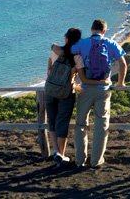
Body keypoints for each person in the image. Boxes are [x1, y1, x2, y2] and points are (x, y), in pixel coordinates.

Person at [71, 19, 127, 169]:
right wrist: (120, 82)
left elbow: (68, 56)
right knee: (101, 125)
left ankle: (80, 160)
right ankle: (96, 161)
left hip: (85, 88)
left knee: (81, 125)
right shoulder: (110, 43)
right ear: (104, 31)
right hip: (103, 90)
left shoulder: (82, 43)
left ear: (91, 29)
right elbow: (123, 63)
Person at [45, 27, 81, 168]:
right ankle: (61, 154)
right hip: (66, 93)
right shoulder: (77, 56)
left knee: (52, 120)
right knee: (62, 122)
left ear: (66, 38)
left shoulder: (55, 51)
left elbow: (48, 71)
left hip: (50, 90)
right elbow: (76, 75)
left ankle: (56, 152)